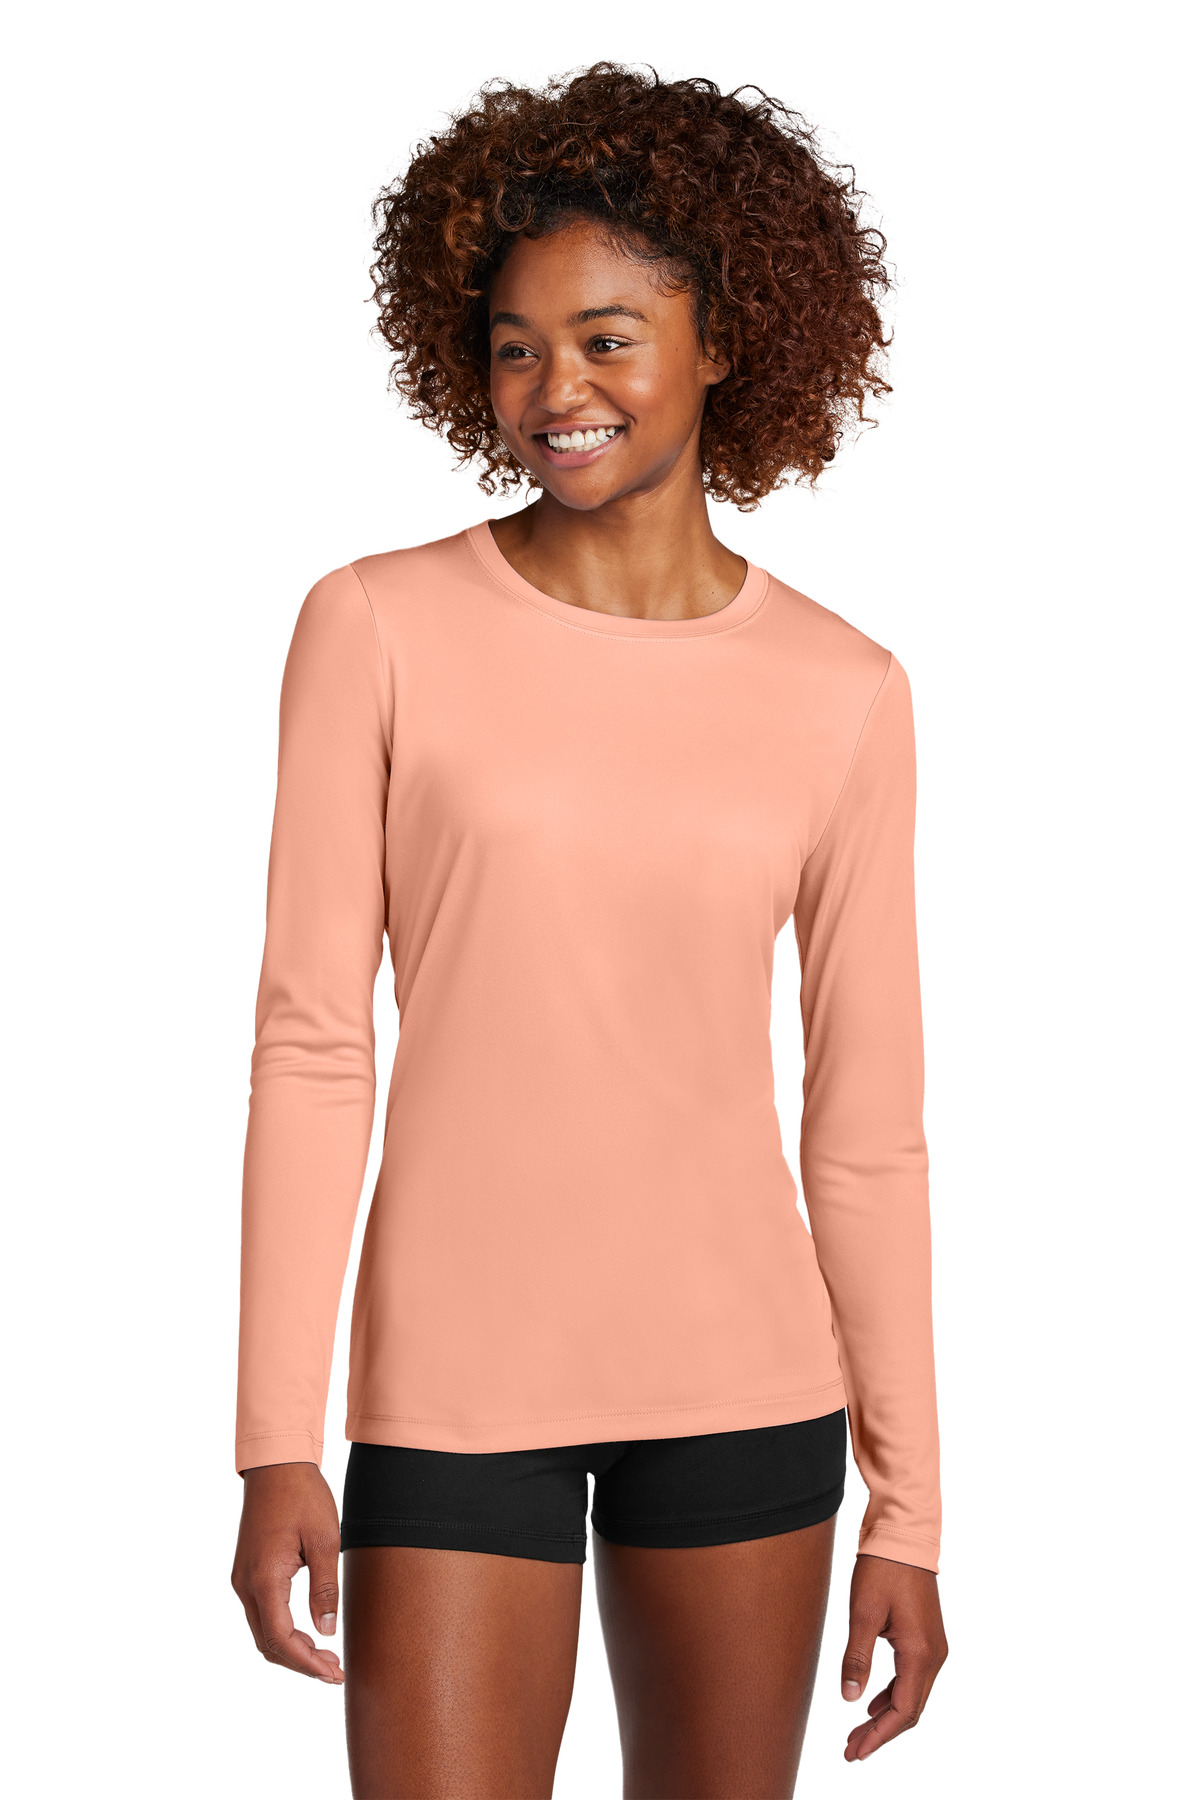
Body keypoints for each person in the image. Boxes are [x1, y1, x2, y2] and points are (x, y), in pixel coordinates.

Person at [231, 63, 948, 1799]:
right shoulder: (375, 627)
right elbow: (313, 1045)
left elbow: (866, 1132)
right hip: (453, 1394)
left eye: (609, 338)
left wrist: (911, 1510)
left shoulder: (845, 691)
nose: (556, 391)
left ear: (726, 344)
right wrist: (273, 1439)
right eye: (515, 347)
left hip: (747, 1390)